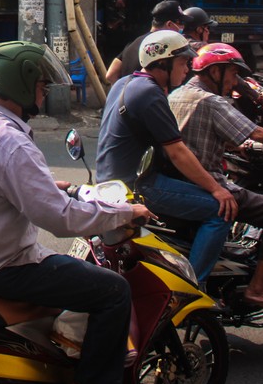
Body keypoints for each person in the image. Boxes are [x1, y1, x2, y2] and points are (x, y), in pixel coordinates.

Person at [0, 41, 151, 384]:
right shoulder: (11, 142)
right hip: (3, 265)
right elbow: (61, 218)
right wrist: (125, 212)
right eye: (40, 85)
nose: (43, 93)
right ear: (21, 84)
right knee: (113, 290)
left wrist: (44, 186)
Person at [168, 43, 263, 314]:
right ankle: (258, 288)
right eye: (232, 74)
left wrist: (234, 145)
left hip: (180, 182)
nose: (234, 82)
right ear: (215, 72)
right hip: (207, 183)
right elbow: (256, 133)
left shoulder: (178, 94)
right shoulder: (211, 101)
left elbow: (202, 134)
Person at [96, 31, 235, 282]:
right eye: (182, 63)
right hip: (137, 186)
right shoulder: (150, 93)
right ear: (163, 63)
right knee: (219, 210)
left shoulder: (124, 83)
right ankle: (192, 285)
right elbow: (177, 152)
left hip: (110, 182)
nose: (187, 69)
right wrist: (217, 189)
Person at [104, 0, 187, 84]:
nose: (183, 27)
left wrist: (125, 93)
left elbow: (110, 75)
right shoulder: (163, 48)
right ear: (169, 24)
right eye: (181, 22)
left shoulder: (133, 43)